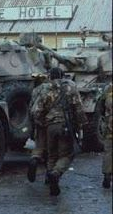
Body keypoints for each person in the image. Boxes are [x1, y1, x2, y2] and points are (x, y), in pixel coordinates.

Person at [31, 67, 86, 196]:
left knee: (52, 155)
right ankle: (56, 173)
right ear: (63, 75)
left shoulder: (44, 89)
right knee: (67, 155)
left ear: (50, 76)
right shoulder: (70, 87)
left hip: (50, 126)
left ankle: (50, 179)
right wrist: (80, 124)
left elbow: (36, 111)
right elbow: (78, 107)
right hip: (66, 126)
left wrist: (41, 123)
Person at [27, 73, 51, 183]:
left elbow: (31, 108)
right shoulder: (53, 89)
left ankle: (34, 159)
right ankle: (49, 175)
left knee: (39, 145)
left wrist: (32, 129)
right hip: (52, 121)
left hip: (38, 121)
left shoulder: (35, 90)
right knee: (52, 149)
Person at [102, 84, 112, 189]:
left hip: (109, 125)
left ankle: (107, 175)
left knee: (108, 151)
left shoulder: (108, 89)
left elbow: (101, 108)